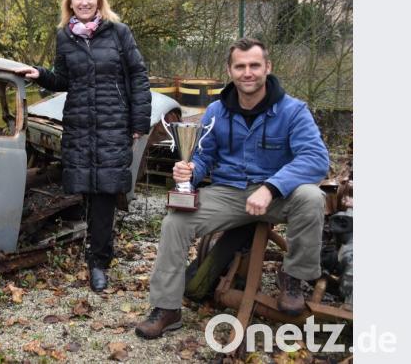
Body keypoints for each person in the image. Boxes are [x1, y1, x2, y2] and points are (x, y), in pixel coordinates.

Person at [135, 37, 329, 339]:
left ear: (268, 67)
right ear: (230, 70)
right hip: (230, 194)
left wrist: (271, 187)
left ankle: (293, 277)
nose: (247, 72)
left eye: (254, 65)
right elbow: (203, 156)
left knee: (312, 196)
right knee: (175, 221)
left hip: (278, 195)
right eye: (240, 66)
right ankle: (167, 308)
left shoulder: (293, 111)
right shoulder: (216, 111)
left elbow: (316, 159)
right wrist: (189, 171)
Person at [16, 0, 151, 293]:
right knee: (86, 190)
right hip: (79, 124)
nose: (85, 2)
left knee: (105, 193)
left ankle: (98, 263)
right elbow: (64, 79)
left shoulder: (119, 33)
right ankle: (93, 248)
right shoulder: (65, 36)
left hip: (113, 124)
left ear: (100, 0)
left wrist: (138, 123)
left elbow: (139, 76)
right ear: (70, 2)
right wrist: (40, 75)